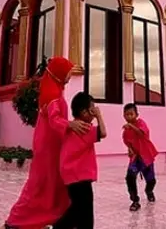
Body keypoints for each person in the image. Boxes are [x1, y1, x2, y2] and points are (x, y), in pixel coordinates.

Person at [5, 57, 84, 229]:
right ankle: (18, 220)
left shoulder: (52, 91)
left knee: (49, 182)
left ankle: (58, 217)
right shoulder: (54, 96)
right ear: (59, 73)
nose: (70, 76)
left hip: (48, 144)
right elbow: (55, 119)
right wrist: (70, 124)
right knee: (41, 184)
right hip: (50, 147)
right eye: (68, 72)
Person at [52, 92, 106, 229]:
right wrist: (100, 115)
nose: (94, 113)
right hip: (80, 176)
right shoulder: (84, 128)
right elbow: (103, 133)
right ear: (84, 112)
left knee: (78, 208)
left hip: (70, 175)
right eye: (92, 109)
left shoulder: (70, 127)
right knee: (84, 210)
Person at [123, 103, 158, 212]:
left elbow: (141, 133)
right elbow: (127, 142)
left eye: (131, 114)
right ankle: (135, 201)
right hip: (135, 158)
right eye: (126, 114)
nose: (129, 117)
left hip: (146, 156)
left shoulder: (141, 123)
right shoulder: (125, 131)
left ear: (136, 114)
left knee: (151, 180)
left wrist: (132, 126)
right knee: (130, 177)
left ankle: (149, 191)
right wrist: (129, 149)